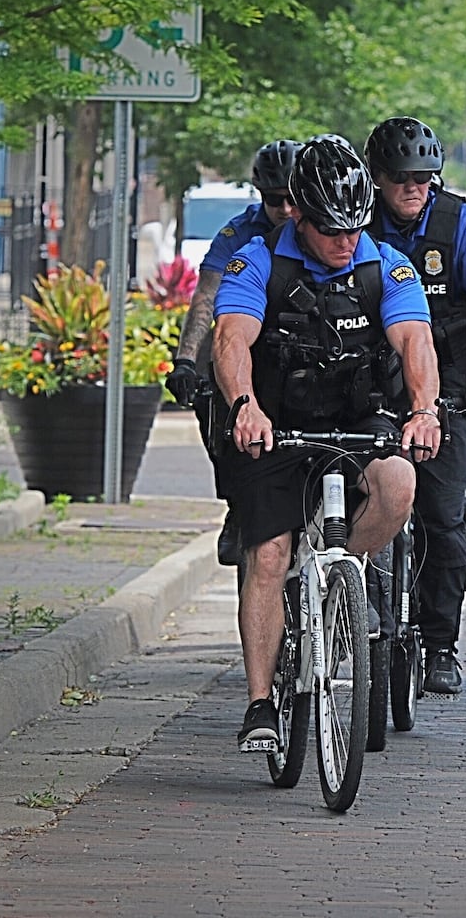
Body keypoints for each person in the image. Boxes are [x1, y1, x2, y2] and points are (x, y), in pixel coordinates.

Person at [211, 135, 442, 751]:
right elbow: (231, 341)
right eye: (331, 230)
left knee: (399, 486)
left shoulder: (384, 266)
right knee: (266, 556)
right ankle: (261, 704)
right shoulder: (258, 262)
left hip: (357, 419)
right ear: (299, 217)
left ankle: (336, 578)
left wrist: (422, 411)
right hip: (274, 427)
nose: (345, 242)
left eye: (355, 228)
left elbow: (415, 341)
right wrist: (244, 407)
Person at [364, 116, 466, 693]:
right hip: (376, 374)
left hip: (452, 378)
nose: (414, 188)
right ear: (377, 179)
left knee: (443, 512)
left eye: (425, 177)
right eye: (402, 178)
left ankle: (440, 644)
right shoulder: (353, 222)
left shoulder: (461, 224)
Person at [167, 139, 301, 566]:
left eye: (292, 199)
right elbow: (206, 297)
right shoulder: (238, 233)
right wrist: (186, 360)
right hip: (244, 348)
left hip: (300, 348)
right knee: (214, 407)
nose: (283, 209)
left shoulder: (324, 229)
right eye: (273, 200)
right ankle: (238, 507)